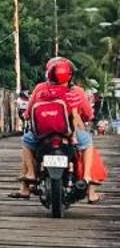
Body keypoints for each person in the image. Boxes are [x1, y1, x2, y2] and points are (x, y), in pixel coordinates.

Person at [17, 56, 100, 203]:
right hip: (68, 133)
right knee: (87, 143)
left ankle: (30, 173)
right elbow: (87, 115)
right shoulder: (76, 92)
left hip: (42, 134)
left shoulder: (40, 89)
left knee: (26, 141)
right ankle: (87, 177)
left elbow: (28, 114)